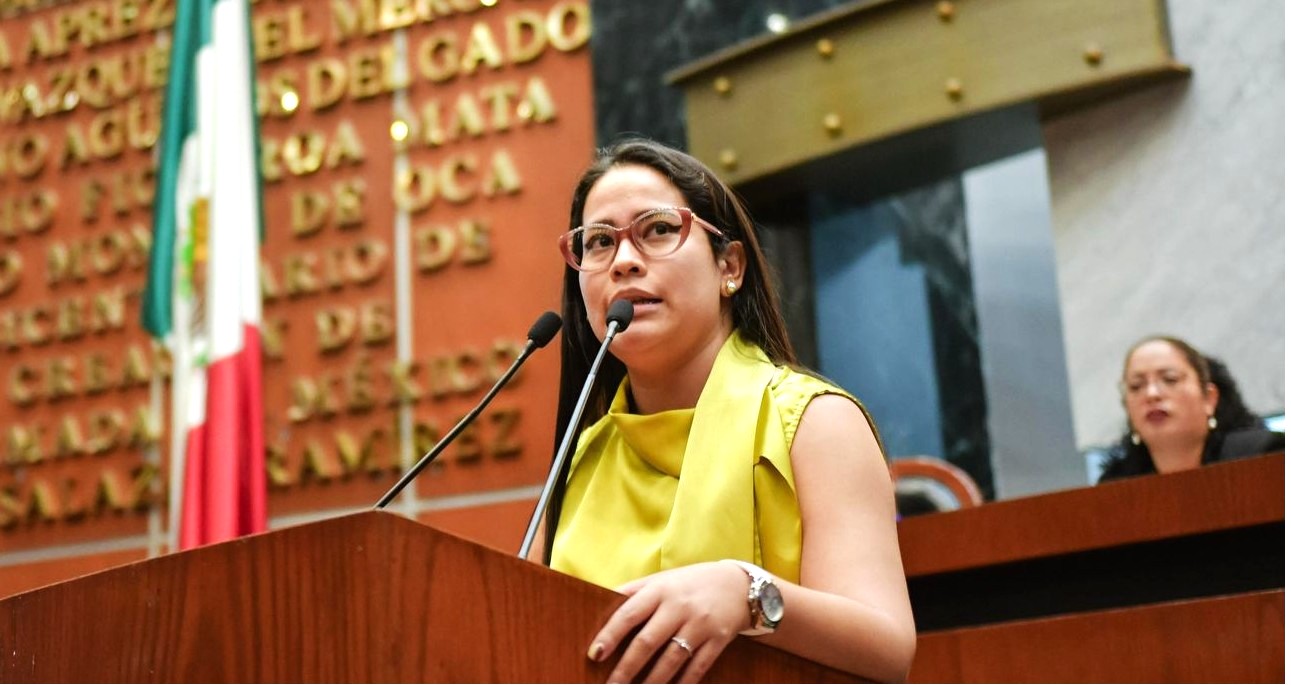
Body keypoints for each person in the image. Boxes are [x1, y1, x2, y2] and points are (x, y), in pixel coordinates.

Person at [531, 138, 915, 683]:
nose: (623, 261)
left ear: (729, 266)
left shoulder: (815, 422)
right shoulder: (580, 461)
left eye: (658, 230)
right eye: (599, 242)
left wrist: (746, 593)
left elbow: (887, 646)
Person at [1098, 335, 1283, 483]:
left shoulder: (1265, 455)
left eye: (1170, 379)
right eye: (1136, 386)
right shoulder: (1115, 484)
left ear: (1209, 398)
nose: (1151, 394)